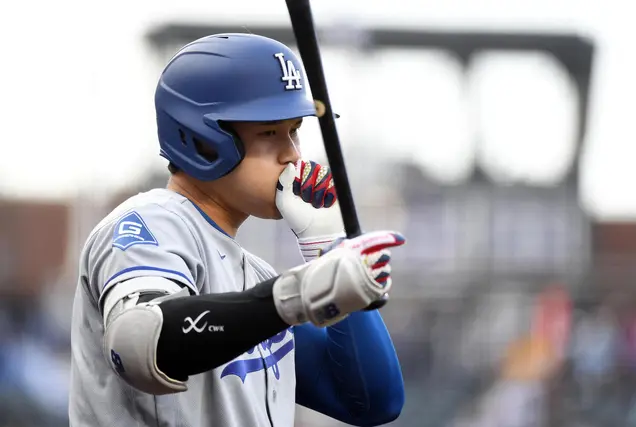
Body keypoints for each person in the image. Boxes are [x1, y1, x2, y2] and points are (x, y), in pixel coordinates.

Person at [68, 33, 406, 427]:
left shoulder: (256, 277)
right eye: (269, 133)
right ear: (203, 141)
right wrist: (295, 296)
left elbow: (372, 403)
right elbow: (138, 342)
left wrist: (327, 248)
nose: (293, 154)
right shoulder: (148, 221)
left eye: (294, 130)